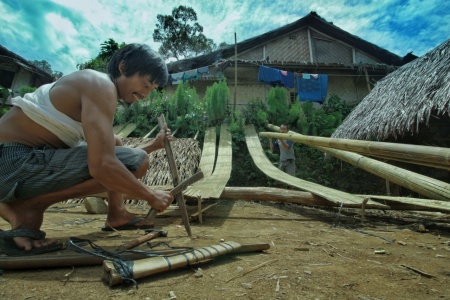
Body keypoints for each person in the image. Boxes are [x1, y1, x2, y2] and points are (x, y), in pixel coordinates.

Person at [0, 43, 174, 255]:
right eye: (146, 84)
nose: (146, 94)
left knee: (116, 142)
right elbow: (102, 165)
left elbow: (110, 153)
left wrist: (154, 145)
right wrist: (151, 195)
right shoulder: (101, 85)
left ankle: (116, 213)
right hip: (11, 163)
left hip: (14, 164)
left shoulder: (92, 86)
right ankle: (30, 207)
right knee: (135, 160)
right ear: (123, 67)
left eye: (152, 89)